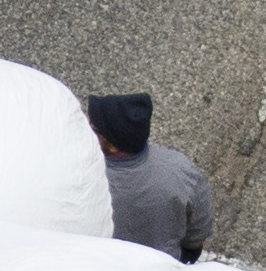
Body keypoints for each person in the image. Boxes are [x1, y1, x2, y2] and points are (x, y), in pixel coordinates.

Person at [85, 89, 207, 258]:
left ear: (113, 146)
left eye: (93, 127)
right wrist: (190, 249)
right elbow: (197, 231)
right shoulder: (180, 169)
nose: (85, 126)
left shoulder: (82, 173)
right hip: (161, 270)